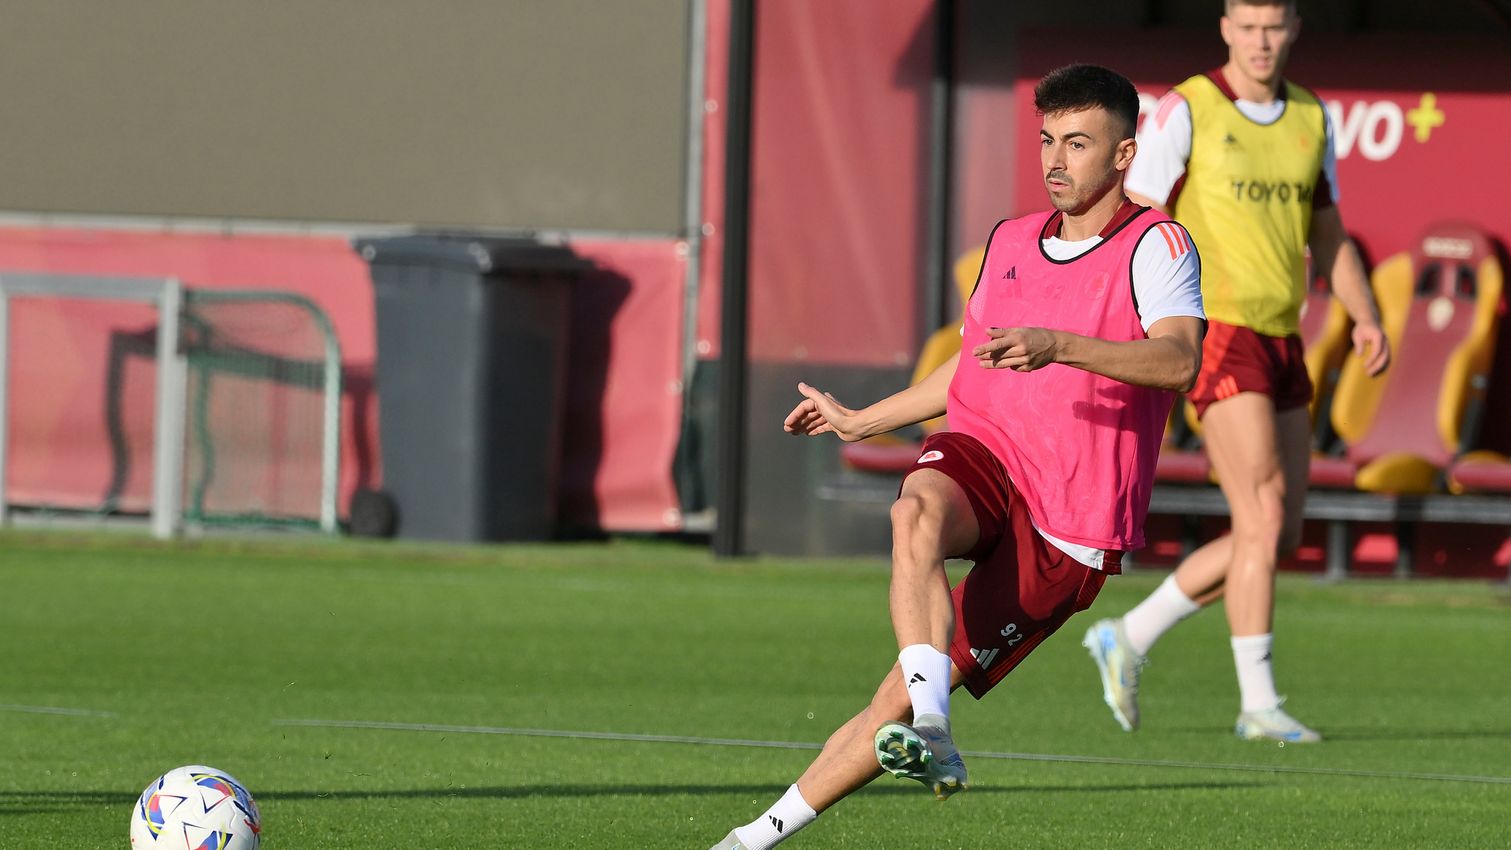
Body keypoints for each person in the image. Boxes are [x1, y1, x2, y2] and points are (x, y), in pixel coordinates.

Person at [708, 64, 1206, 850]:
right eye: (1046, 139)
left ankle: (758, 834)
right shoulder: (1008, 241)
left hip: (1070, 523)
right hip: (987, 447)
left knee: (886, 709)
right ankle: (932, 722)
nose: (1055, 160)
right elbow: (971, 366)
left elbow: (1178, 362)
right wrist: (863, 421)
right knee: (913, 514)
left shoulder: (1156, 244)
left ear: (1122, 155)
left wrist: (1059, 344)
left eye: (1077, 143)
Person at [1082, 0, 1391, 745]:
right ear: (1225, 27)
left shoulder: (1311, 116)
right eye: (1247, 25)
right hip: (1214, 330)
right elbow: (1136, 214)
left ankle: (1129, 633)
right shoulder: (1189, 109)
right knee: (1258, 516)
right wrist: (1131, 321)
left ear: (1294, 29)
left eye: (1273, 26)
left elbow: (1327, 230)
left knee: (1277, 535)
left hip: (1283, 335)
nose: (1260, 40)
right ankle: (1258, 703)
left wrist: (1365, 314)